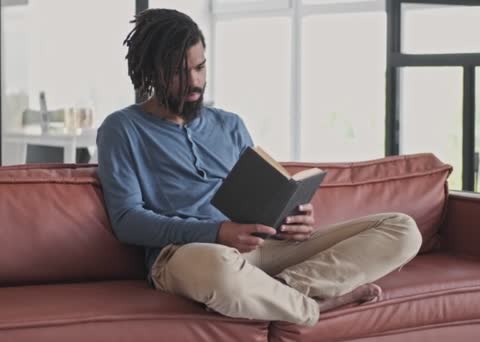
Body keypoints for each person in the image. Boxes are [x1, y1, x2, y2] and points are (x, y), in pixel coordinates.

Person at [97, 8, 422, 327]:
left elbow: (261, 197)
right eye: (180, 73)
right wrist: (217, 232)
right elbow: (127, 221)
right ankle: (317, 306)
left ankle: (275, 291)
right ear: (152, 73)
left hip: (264, 249)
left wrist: (292, 221)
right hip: (187, 254)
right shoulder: (122, 129)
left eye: (200, 67)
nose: (194, 81)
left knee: (401, 229)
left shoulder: (230, 125)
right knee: (220, 268)